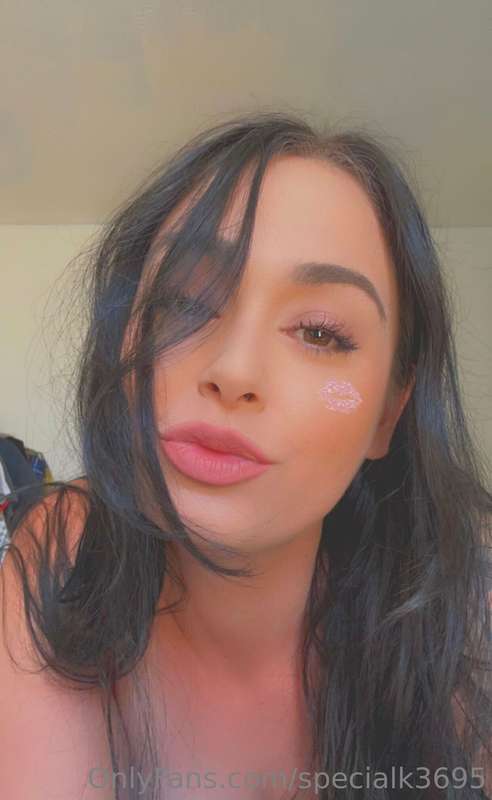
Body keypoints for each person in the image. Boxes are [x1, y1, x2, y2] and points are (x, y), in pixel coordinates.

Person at [0, 111, 491, 800]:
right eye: (182, 302)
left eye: (319, 333)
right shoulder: (67, 551)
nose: (232, 370)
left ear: (387, 413)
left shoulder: (459, 611)